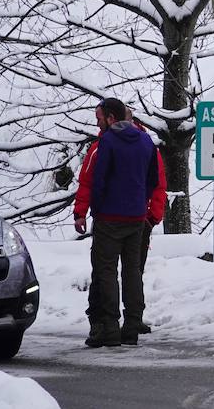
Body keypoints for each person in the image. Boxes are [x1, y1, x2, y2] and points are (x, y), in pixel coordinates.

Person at [74, 97, 158, 348]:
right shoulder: (145, 140)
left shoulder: (107, 142)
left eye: (99, 118)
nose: (97, 123)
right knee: (133, 271)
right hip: (136, 217)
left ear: (111, 118)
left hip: (109, 218)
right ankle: (132, 325)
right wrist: (141, 202)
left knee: (106, 272)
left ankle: (110, 327)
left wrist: (94, 210)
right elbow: (153, 178)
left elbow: (97, 180)